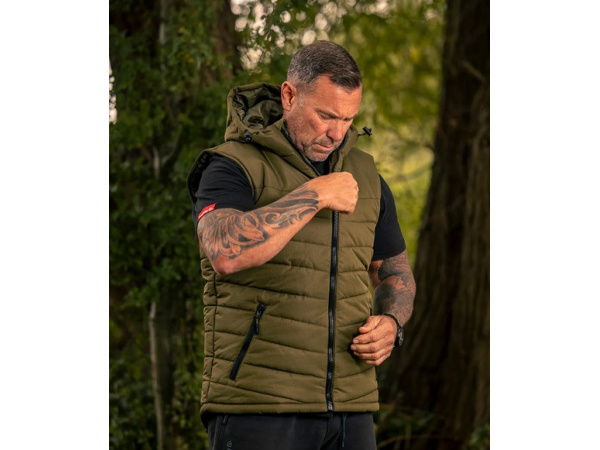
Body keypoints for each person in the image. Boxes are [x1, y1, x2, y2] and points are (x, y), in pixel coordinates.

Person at [187, 40, 416, 450]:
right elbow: (225, 251)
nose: (337, 132)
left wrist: (391, 323)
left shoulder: (366, 176)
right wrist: (315, 194)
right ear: (289, 95)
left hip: (351, 407)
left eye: (348, 119)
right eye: (325, 115)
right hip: (258, 404)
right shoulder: (232, 164)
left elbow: (394, 272)